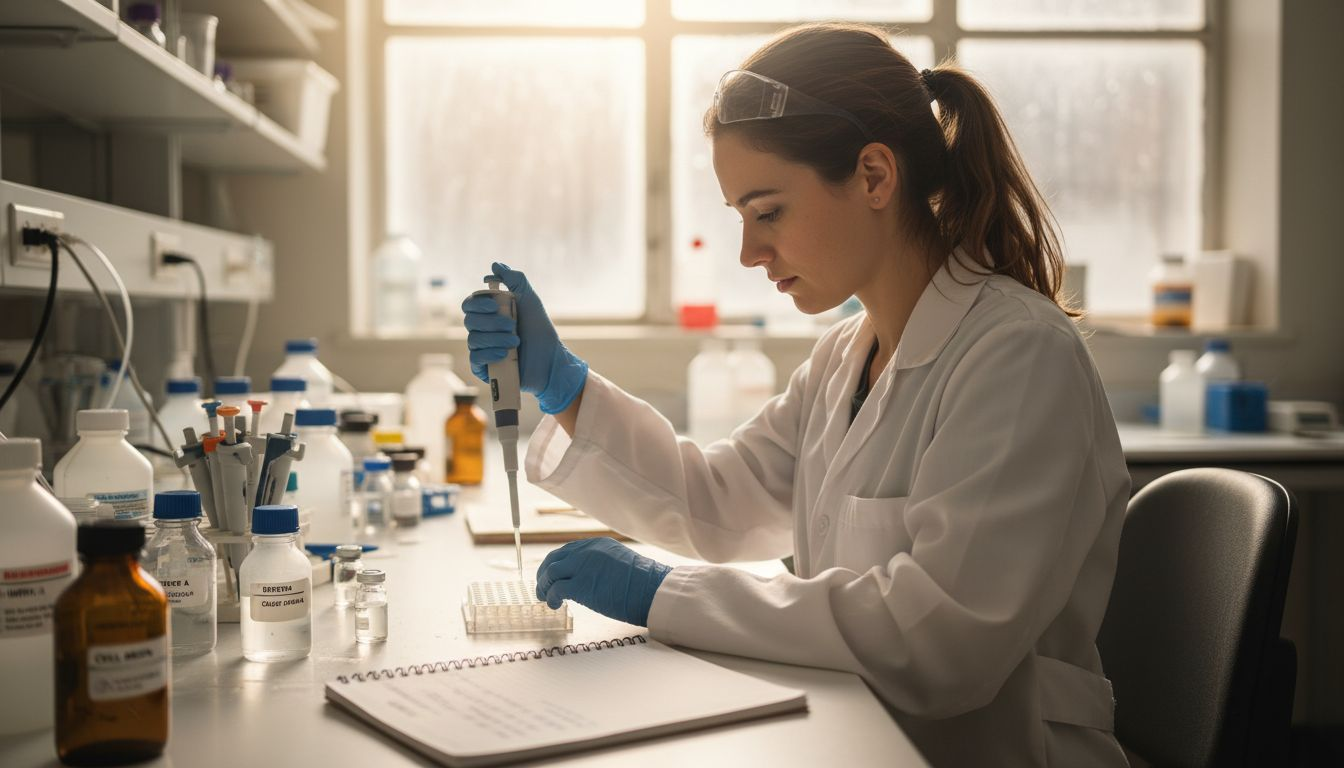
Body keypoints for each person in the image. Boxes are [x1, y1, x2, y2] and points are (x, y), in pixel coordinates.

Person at [462, 22, 1129, 768]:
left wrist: (664, 595)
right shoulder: (844, 355)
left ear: (875, 177)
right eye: (741, 218)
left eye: (768, 211)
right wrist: (567, 388)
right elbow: (717, 501)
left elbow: (940, 642)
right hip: (856, 736)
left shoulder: (1018, 356)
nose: (749, 252)